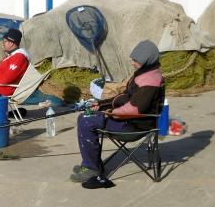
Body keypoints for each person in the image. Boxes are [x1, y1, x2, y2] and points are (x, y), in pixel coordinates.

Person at [70, 40, 165, 188]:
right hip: (129, 120)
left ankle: (92, 168)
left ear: (147, 61)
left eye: (136, 61)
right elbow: (124, 97)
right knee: (87, 115)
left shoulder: (150, 81)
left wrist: (110, 113)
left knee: (86, 120)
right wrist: (100, 104)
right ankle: (91, 163)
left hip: (135, 126)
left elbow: (134, 109)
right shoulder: (144, 73)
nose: (133, 63)